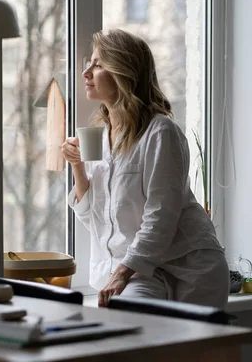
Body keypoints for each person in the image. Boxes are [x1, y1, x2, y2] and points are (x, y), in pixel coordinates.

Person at [61, 29, 228, 309]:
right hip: (141, 271)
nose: (86, 72)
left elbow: (161, 215)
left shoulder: (160, 132)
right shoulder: (102, 138)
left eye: (98, 64)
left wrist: (121, 273)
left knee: (189, 352)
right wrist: (78, 167)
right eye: (89, 63)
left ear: (124, 73)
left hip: (186, 269)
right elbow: (96, 219)